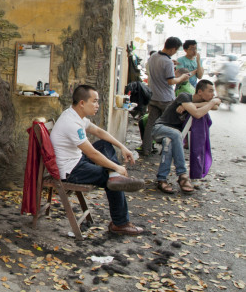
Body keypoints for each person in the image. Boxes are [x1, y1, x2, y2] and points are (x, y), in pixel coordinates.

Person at [50, 85, 145, 235]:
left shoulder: (76, 115)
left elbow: (99, 132)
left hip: (77, 161)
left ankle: (115, 177)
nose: (97, 105)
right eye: (94, 101)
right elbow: (92, 154)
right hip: (71, 171)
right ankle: (120, 223)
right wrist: (117, 167)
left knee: (104, 145)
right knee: (111, 179)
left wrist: (122, 147)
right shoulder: (71, 123)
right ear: (82, 103)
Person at [152, 79, 220, 194]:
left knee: (169, 141)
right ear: (199, 92)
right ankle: (182, 175)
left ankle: (161, 179)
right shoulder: (184, 96)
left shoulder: (193, 102)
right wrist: (211, 103)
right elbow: (197, 114)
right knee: (176, 134)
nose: (213, 94)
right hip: (160, 128)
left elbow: (216, 106)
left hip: (173, 136)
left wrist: (200, 104)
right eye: (210, 91)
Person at [140, 37, 191, 154]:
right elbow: (171, 81)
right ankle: (169, 150)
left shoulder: (153, 57)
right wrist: (182, 77)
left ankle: (146, 148)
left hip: (153, 96)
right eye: (176, 50)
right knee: (170, 124)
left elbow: (159, 67)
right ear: (173, 49)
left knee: (150, 124)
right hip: (166, 99)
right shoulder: (167, 62)